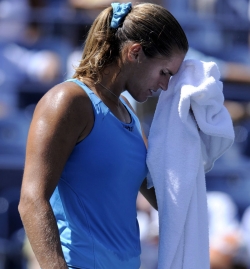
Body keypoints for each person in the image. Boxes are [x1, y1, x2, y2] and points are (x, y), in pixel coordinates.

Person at [18, 2, 188, 269]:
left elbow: (164, 201)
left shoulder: (128, 112)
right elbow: (32, 201)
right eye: (164, 72)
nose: (165, 85)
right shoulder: (66, 101)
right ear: (135, 53)